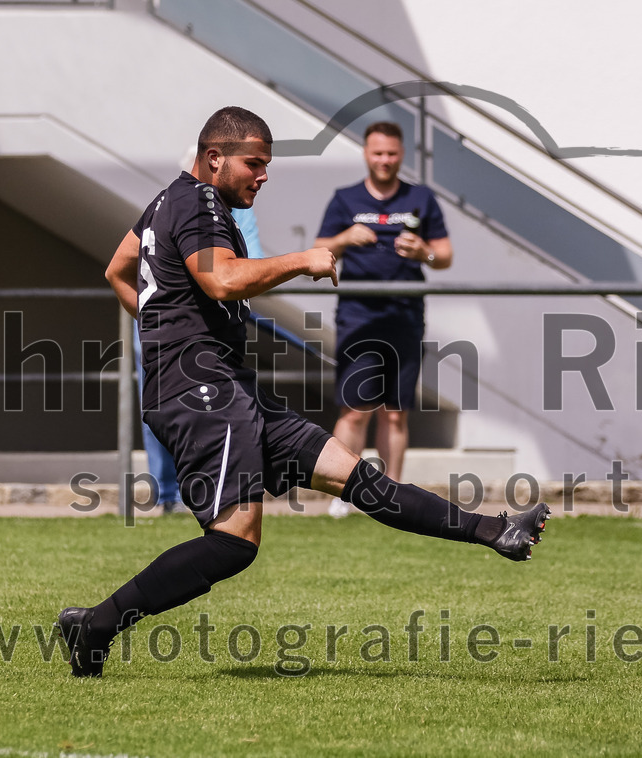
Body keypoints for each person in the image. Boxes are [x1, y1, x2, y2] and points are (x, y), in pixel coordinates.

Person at [56, 106, 550, 678]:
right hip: (199, 392)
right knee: (234, 542)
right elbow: (222, 278)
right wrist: (303, 261)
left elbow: (119, 269)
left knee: (361, 479)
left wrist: (161, 324)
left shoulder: (168, 200)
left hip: (231, 388)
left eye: (267, 164)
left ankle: (497, 531)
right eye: (255, 163)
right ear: (215, 157)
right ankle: (94, 626)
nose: (263, 175)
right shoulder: (198, 201)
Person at [315, 121, 452, 516]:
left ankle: (393, 499)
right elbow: (319, 249)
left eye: (391, 153)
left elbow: (444, 256)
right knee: (354, 410)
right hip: (358, 316)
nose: (385, 160)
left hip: (405, 315)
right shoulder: (345, 199)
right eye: (378, 153)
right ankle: (342, 496)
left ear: (401, 154)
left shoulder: (421, 198)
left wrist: (423, 251)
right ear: (365, 153)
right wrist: (345, 239)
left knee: (395, 412)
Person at [133, 323, 183, 513]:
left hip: (196, 314)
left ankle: (202, 492)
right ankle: (169, 497)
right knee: (156, 412)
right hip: (153, 313)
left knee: (203, 407)